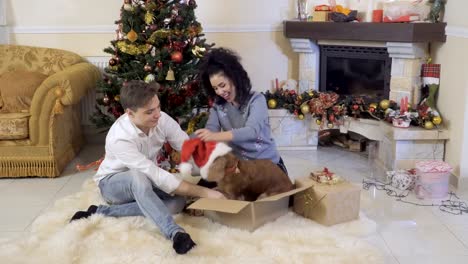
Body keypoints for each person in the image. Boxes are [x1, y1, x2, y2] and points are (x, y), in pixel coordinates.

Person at [69, 80, 226, 255]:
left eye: (158, 107)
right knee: (139, 176)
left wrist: (217, 163)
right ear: (130, 113)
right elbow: (152, 172)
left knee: (177, 202)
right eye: (149, 112)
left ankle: (101, 211)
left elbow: (186, 146)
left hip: (146, 179)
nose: (157, 114)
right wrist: (203, 192)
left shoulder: (161, 119)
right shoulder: (120, 138)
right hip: (113, 184)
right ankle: (175, 233)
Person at [195, 47, 288, 179]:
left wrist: (215, 136)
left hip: (267, 165)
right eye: (215, 88)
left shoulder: (257, 100)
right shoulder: (218, 105)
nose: (220, 92)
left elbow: (251, 131)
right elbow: (211, 130)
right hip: (239, 166)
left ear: (234, 78)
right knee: (203, 191)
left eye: (222, 85)